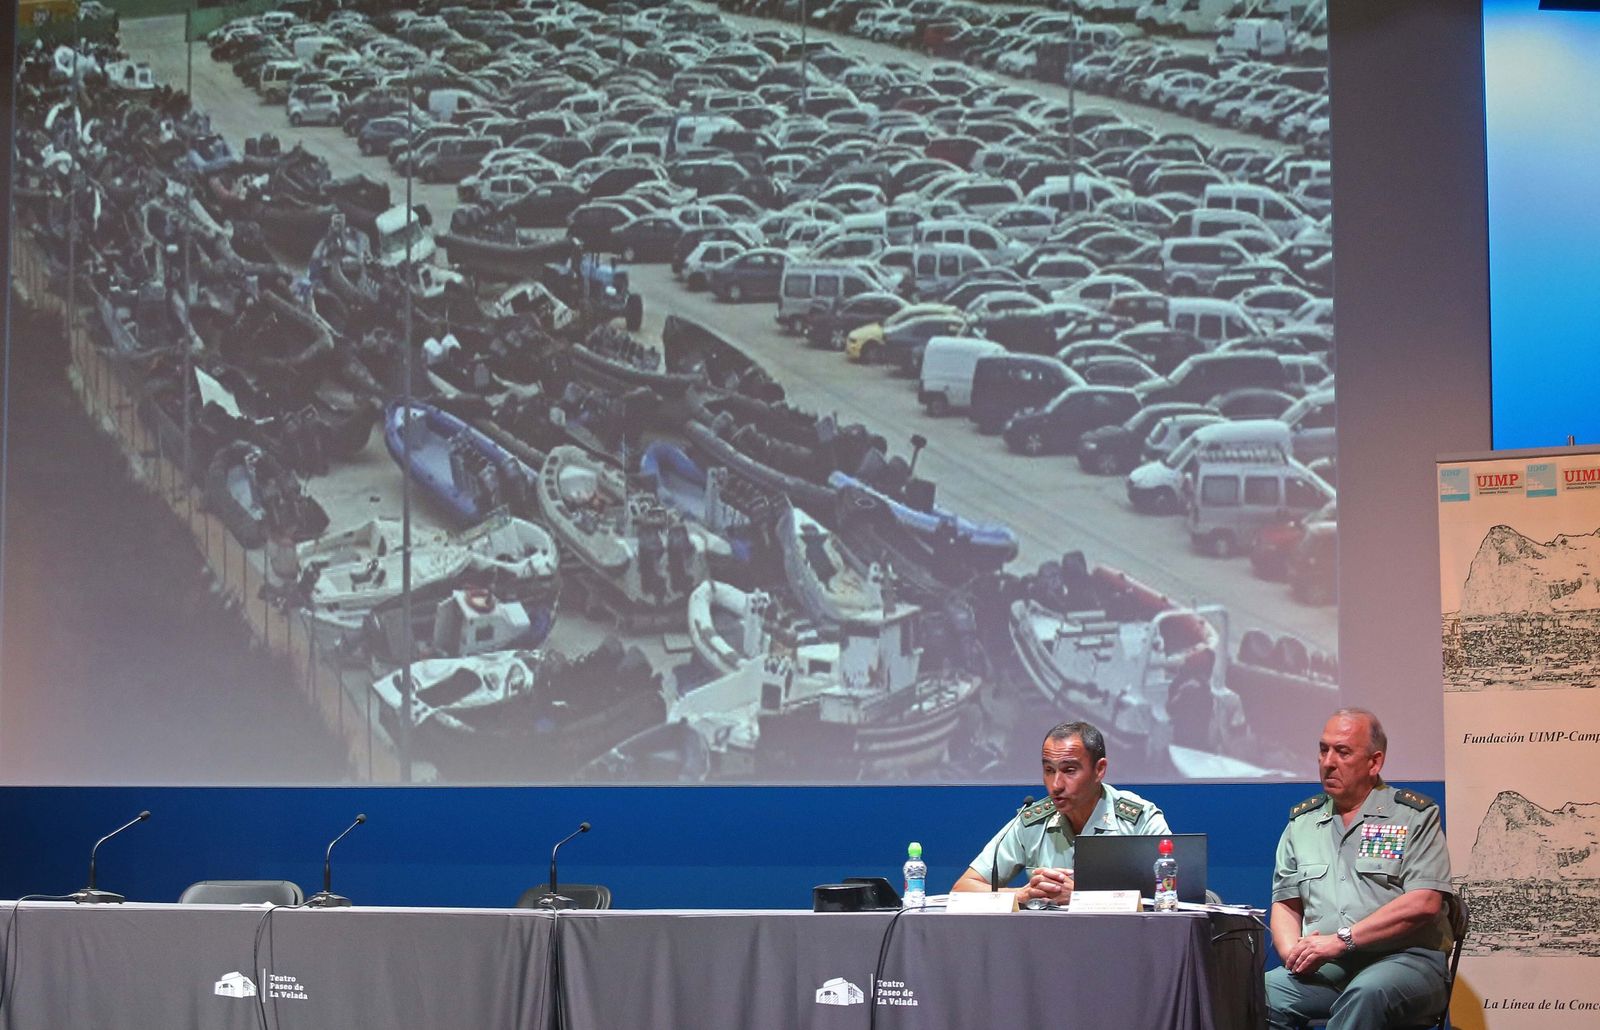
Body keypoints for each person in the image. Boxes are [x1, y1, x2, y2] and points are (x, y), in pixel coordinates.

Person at [1266, 708, 1454, 1029]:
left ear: (1374, 762)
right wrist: (1292, 955)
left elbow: (1424, 902)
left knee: (1365, 994)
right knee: (1257, 994)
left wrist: (1342, 940)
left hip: (1406, 961)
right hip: (1330, 970)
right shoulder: (1302, 824)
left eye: (1342, 752)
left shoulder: (1412, 816)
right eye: (1324, 749)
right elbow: (1286, 903)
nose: (1328, 762)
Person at [951, 720, 1168, 906]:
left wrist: (1081, 898)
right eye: (1049, 770)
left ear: (1099, 769)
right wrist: (1022, 895)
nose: (1056, 785)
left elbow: (1171, 896)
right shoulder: (1031, 822)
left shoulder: (1139, 819)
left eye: (1069, 770)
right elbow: (962, 890)